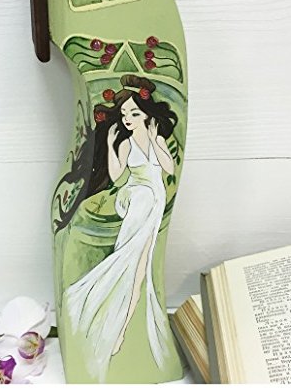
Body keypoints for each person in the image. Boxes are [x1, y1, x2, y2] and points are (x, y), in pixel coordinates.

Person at [62, 74, 178, 381]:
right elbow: (116, 177)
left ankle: (122, 331)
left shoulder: (157, 139)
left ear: (146, 114)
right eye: (125, 113)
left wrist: (154, 139)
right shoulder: (124, 143)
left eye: (134, 113)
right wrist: (112, 145)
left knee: (141, 269)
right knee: (130, 264)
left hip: (154, 202)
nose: (127, 118)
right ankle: (114, 327)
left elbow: (168, 168)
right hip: (138, 200)